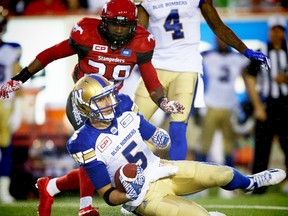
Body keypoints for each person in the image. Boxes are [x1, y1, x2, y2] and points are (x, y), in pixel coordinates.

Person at [0, 0, 183, 214]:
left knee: (105, 165)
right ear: (104, 22)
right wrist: (19, 78)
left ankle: (50, 186)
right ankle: (85, 207)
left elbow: (151, 80)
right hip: (84, 102)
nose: (120, 30)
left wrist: (164, 102)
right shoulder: (86, 34)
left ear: (134, 25)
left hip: (112, 102)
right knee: (92, 150)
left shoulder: (140, 42)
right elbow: (50, 54)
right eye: (115, 24)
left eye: (125, 25)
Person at [36, 74, 286, 216]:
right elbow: (108, 195)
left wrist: (159, 137)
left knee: (224, 173)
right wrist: (128, 194)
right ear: (86, 108)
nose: (110, 102)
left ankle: (252, 182)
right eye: (102, 101)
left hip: (162, 168)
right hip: (143, 196)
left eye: (109, 96)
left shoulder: (123, 104)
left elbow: (150, 132)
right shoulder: (84, 142)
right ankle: (135, 212)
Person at [133, 0, 271, 160]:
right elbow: (138, 34)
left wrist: (245, 50)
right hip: (157, 67)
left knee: (177, 127)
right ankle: (131, 170)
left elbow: (217, 26)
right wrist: (245, 51)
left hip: (184, 68)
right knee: (132, 122)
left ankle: (179, 178)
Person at [243, 14, 288, 195]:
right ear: (269, 32)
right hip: (267, 105)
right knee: (262, 148)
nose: (276, 34)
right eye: (273, 30)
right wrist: (258, 106)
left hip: (286, 105)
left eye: (280, 30)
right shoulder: (262, 51)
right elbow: (249, 77)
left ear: (283, 32)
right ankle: (258, 188)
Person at [197, 37, 249, 167]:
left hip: (230, 106)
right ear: (215, 40)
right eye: (219, 39)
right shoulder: (207, 56)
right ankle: (201, 180)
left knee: (229, 146)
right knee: (205, 143)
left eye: (224, 39)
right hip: (211, 104)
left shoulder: (239, 58)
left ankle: (229, 180)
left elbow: (248, 79)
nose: (222, 41)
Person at [0, 7, 22, 203]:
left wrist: (18, 105)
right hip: (4, 102)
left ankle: (3, 191)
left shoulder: (12, 48)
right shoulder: (11, 49)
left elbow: (17, 77)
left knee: (6, 148)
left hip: (3, 103)